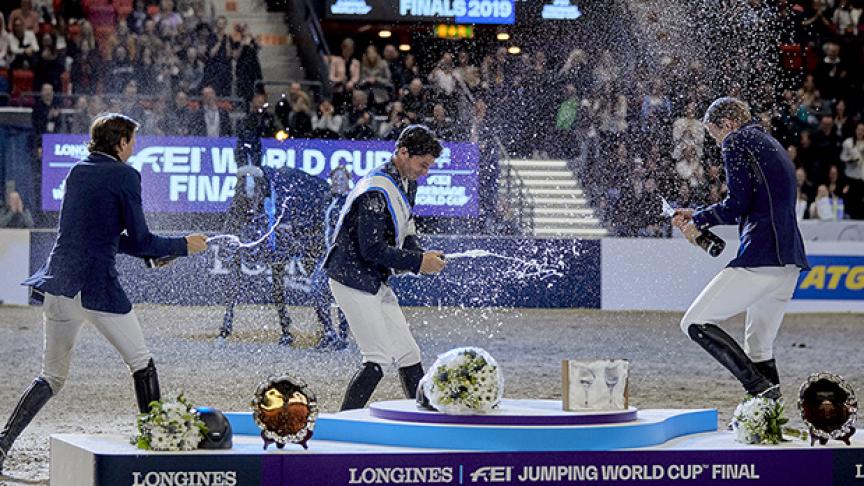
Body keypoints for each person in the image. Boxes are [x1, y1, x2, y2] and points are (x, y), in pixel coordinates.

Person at [0, 114, 208, 475]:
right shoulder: (126, 174)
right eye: (133, 141)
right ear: (121, 142)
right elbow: (141, 240)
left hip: (59, 285)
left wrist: (154, 256)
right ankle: (157, 442)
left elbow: (101, 235)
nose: (135, 147)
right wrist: (182, 245)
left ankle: (2, 443)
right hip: (96, 288)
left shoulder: (78, 171)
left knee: (51, 377)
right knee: (141, 361)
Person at [672, 98, 808, 402]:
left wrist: (698, 217)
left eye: (714, 134)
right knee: (759, 347)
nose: (718, 142)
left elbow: (737, 205)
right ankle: (767, 417)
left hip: (761, 256)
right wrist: (701, 216)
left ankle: (758, 389)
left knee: (694, 323)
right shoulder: (770, 142)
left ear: (729, 124)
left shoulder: (735, 140)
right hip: (789, 262)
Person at [325, 125, 447, 410]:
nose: (425, 172)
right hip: (351, 279)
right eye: (423, 164)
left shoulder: (406, 183)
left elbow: (407, 232)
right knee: (377, 359)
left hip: (371, 278)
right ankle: (343, 425)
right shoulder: (375, 192)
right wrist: (418, 262)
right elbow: (372, 250)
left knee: (409, 353)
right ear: (403, 153)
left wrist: (422, 254)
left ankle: (425, 419)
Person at [311, 166, 350, 350]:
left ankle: (342, 336)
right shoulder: (327, 202)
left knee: (343, 297)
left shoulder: (351, 202)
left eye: (342, 179)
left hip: (344, 259)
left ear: (348, 182)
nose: (338, 182)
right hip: (325, 257)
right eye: (335, 179)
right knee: (316, 291)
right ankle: (328, 332)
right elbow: (316, 225)